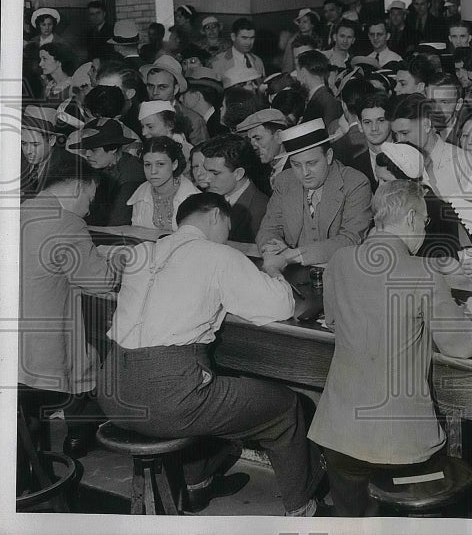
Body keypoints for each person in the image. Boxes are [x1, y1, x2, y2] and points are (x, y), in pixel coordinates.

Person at [98, 193, 326, 516]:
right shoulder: (216, 255)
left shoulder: (142, 252)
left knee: (221, 393)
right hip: (167, 398)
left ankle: (198, 484)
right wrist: (274, 270)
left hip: (112, 389)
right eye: (228, 227)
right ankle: (303, 509)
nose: (228, 235)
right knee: (286, 408)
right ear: (216, 216)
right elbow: (281, 305)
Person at [307, 181, 472, 516]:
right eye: (426, 223)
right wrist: (471, 319)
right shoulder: (421, 271)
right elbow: (461, 346)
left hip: (338, 435)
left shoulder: (339, 260)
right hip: (400, 444)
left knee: (354, 522)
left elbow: (334, 321)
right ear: (413, 218)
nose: (424, 231)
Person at [19, 158, 122, 459]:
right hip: (36, 356)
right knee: (98, 356)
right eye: (90, 198)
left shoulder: (23, 211)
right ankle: (85, 431)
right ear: (78, 186)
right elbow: (101, 281)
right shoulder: (66, 223)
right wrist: (116, 259)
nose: (89, 209)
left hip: (12, 348)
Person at [256, 118, 373, 273]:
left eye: (312, 163)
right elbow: (269, 228)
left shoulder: (356, 183)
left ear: (329, 156)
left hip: (340, 273)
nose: (305, 173)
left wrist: (292, 255)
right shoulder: (284, 181)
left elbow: (350, 239)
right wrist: (271, 247)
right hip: (294, 272)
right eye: (296, 165)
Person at [70, 117, 146, 226]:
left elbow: (117, 221)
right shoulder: (97, 167)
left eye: (93, 149)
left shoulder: (132, 175)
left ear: (113, 148)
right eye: (85, 149)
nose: (87, 154)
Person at [200, 133, 269, 243]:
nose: (206, 179)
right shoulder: (209, 198)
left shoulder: (262, 210)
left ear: (238, 174)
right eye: (206, 170)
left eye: (215, 173)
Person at [128, 136, 199, 230]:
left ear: (174, 164)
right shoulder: (141, 193)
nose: (153, 171)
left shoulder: (193, 198)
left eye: (160, 164)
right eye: (148, 165)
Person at [143, 55, 210, 144]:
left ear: (175, 89)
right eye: (150, 86)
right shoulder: (139, 114)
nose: (155, 92)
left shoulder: (193, 121)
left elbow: (202, 155)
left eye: (162, 87)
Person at [20, 105, 71, 199]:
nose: (28, 151)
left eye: (35, 144)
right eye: (23, 143)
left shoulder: (68, 168)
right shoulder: (15, 161)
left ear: (52, 140)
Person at [236, 107, 290, 192]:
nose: (253, 146)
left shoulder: (296, 170)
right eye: (250, 140)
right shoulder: (261, 172)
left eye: (258, 138)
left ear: (279, 136)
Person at [294, 49, 342, 133]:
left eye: (297, 71)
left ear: (303, 72)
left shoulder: (326, 101)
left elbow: (331, 135)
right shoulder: (320, 98)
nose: (297, 78)